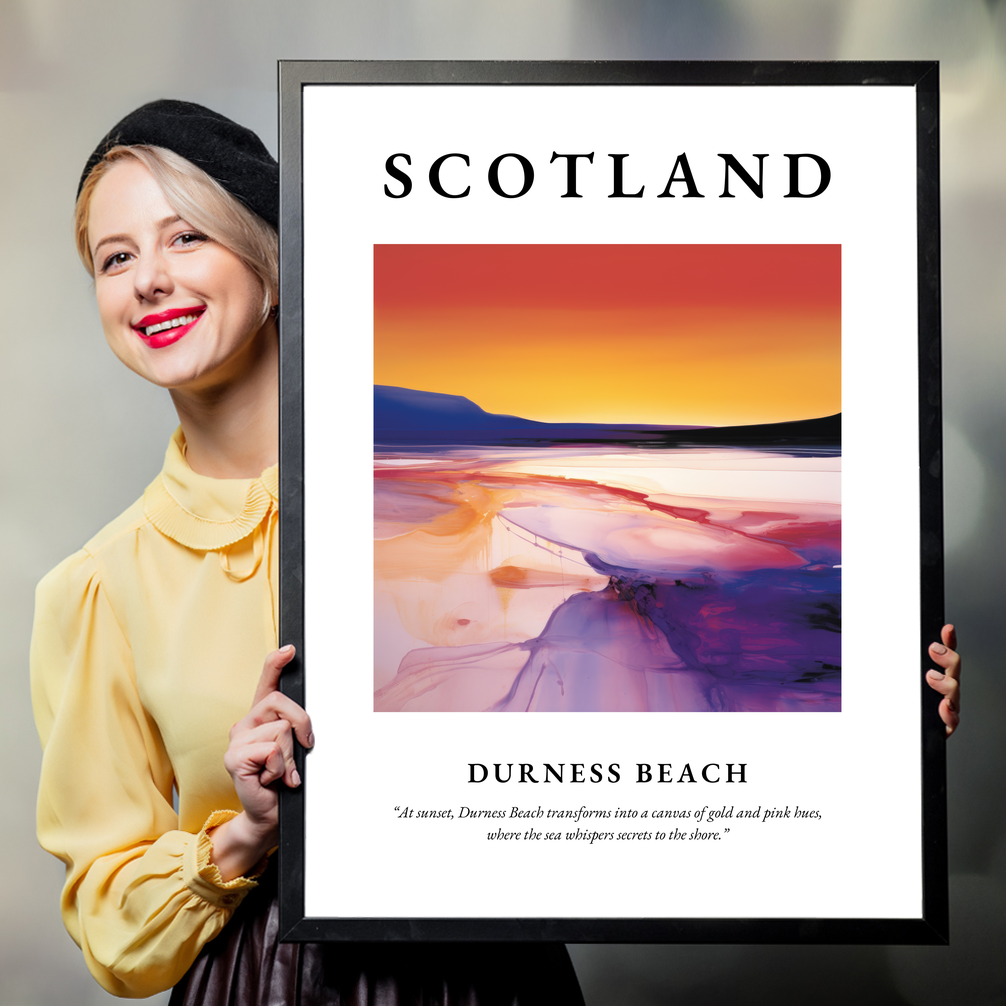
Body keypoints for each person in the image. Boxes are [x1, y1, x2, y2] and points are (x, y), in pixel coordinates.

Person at [30, 100, 585, 1004]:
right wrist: (246, 833)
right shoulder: (98, 587)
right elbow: (110, 924)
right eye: (115, 258)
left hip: (490, 972)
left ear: (273, 263)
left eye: (186, 237)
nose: (149, 281)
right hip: (263, 981)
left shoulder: (465, 495)